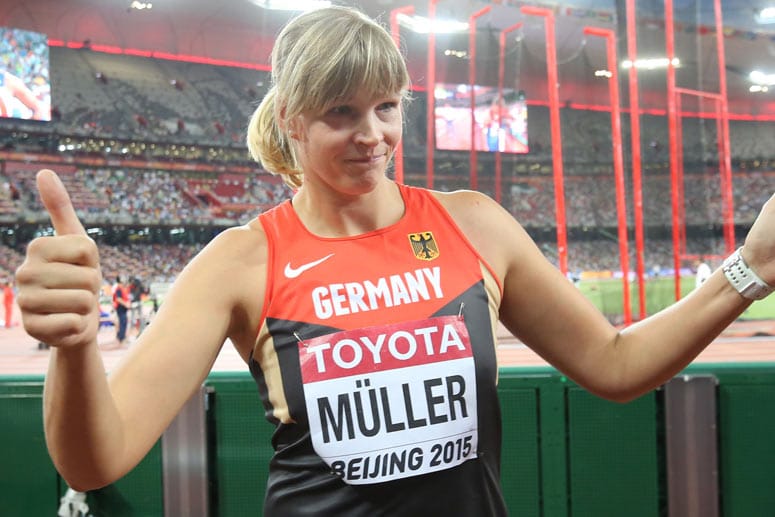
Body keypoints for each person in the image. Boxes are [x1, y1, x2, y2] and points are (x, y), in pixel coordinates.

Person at [12, 6, 775, 516]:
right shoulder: (241, 260)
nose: (370, 134)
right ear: (292, 121)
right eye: (340, 112)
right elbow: (96, 458)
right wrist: (74, 347)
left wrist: (749, 266)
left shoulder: (471, 222)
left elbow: (614, 363)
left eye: (385, 106)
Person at [111, 276, 130, 346]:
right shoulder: (118, 289)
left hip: (121, 308)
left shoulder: (120, 289)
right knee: (122, 322)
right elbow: (118, 299)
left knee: (123, 322)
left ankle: (120, 337)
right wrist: (126, 304)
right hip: (120, 308)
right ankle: (121, 338)